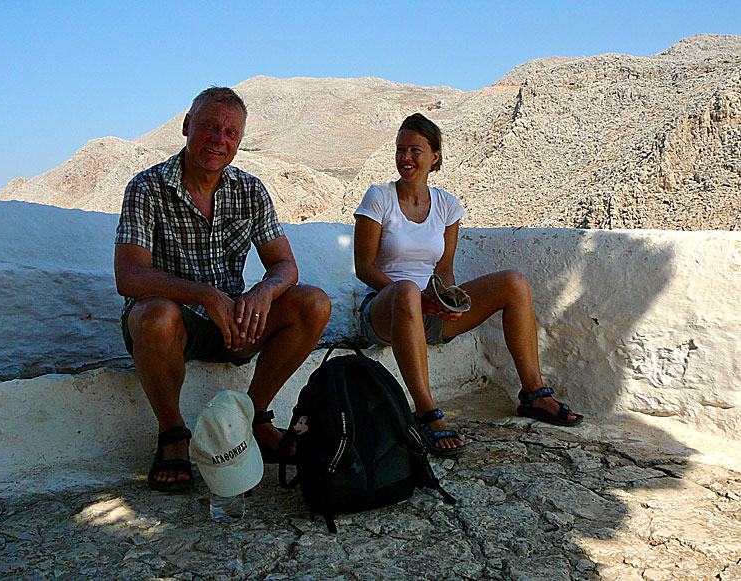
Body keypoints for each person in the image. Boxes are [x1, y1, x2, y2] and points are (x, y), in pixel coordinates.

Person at [114, 86, 331, 491]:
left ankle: (251, 417)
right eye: (210, 126)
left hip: (236, 323)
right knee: (155, 314)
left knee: (313, 304)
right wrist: (205, 295)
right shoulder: (146, 188)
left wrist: (264, 291)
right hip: (174, 327)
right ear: (186, 126)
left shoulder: (249, 191)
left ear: (239, 142)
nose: (219, 139)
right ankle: (173, 435)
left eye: (231, 133)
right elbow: (129, 276)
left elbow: (285, 265)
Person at [353, 113, 582, 457]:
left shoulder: (447, 206)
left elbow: (444, 269)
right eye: (401, 149)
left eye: (416, 149)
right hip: (386, 311)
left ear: (436, 156)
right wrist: (412, 297)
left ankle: (534, 393)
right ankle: (426, 410)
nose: (406, 158)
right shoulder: (379, 199)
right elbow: (364, 267)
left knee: (514, 283)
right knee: (408, 291)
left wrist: (449, 302)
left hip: (429, 310)